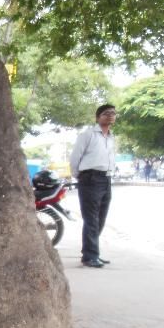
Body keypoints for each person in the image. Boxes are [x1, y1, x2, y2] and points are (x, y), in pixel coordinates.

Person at [69, 104, 117, 268]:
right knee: (91, 219)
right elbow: (75, 156)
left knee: (101, 218)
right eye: (106, 113)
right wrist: (80, 175)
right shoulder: (88, 134)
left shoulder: (111, 137)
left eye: (112, 113)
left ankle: (91, 252)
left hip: (106, 178)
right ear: (98, 117)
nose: (110, 115)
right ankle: (90, 256)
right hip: (90, 178)